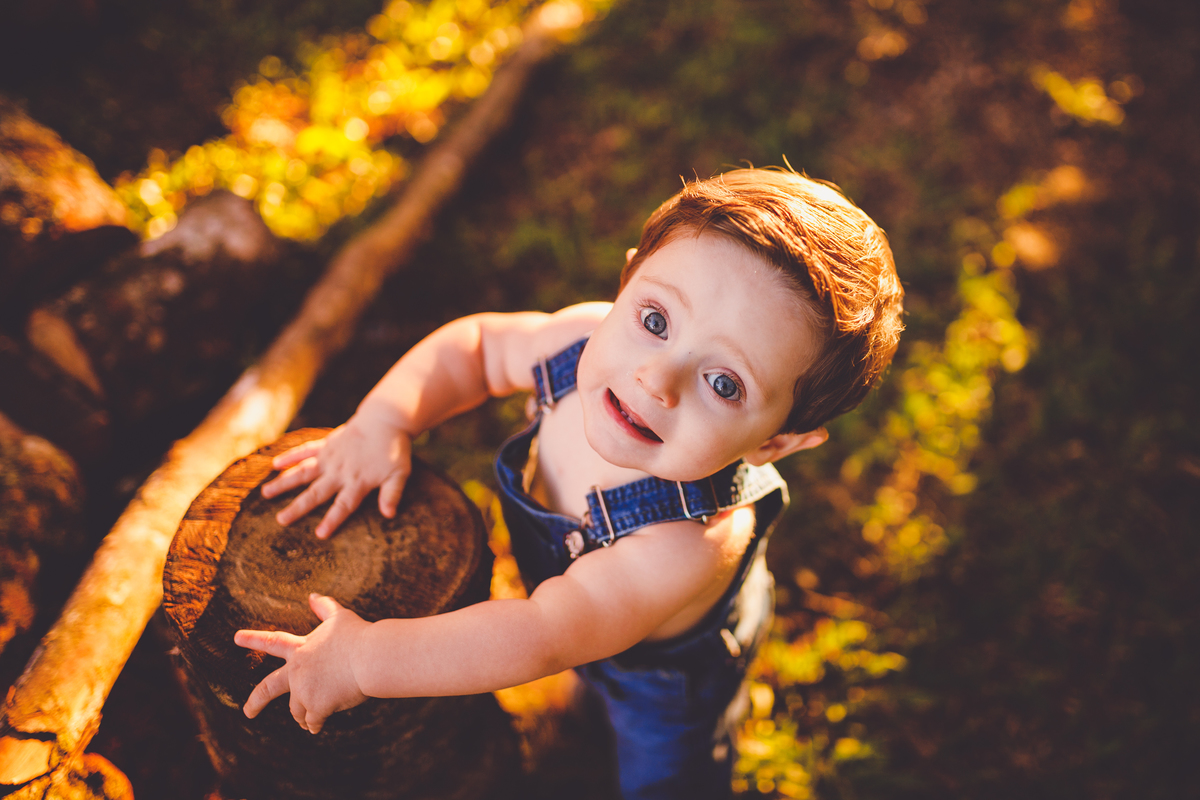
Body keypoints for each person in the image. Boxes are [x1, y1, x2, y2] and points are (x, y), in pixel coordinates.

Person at [234, 167, 904, 799]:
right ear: (627, 281)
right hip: (591, 610)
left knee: (665, 773)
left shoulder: (688, 542)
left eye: (723, 383)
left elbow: (543, 633)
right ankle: (590, 700)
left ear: (773, 444)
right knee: (591, 664)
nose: (656, 379)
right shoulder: (578, 339)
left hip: (664, 677)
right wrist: (384, 419)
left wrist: (365, 662)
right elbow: (476, 349)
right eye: (654, 320)